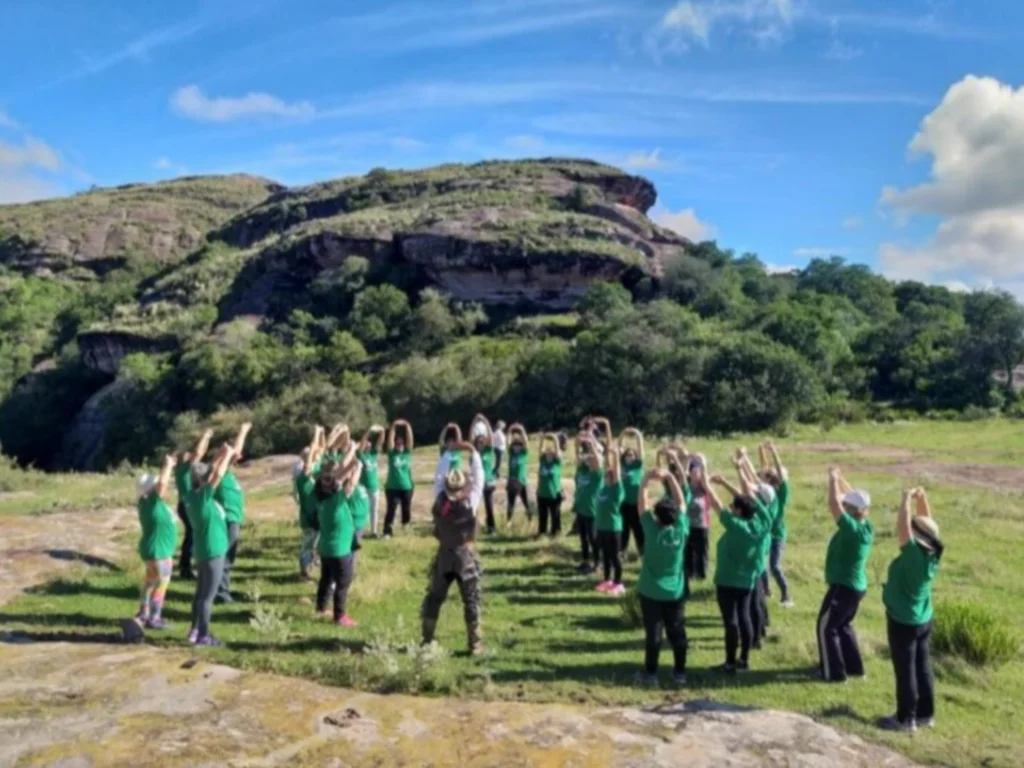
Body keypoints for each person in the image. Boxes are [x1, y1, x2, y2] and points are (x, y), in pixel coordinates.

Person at [879, 488, 943, 733]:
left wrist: (905, 498)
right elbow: (926, 525)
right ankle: (926, 715)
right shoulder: (932, 553)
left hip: (903, 621)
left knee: (906, 671)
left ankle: (905, 719)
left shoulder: (913, 555)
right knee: (923, 666)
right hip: (923, 618)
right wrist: (922, 498)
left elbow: (903, 525)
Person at [422, 439, 486, 655]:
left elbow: (439, 476)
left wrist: (449, 453)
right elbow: (479, 478)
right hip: (465, 558)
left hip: (444, 556)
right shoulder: (471, 501)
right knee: (470, 599)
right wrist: (474, 452)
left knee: (434, 597)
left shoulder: (439, 498)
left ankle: (427, 639)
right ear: (462, 486)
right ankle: (474, 644)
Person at [706, 468, 770, 674]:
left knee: (731, 622)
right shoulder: (762, 525)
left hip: (727, 581)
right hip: (747, 581)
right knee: (745, 618)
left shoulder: (736, 526)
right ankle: (744, 660)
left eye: (733, 506)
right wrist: (725, 483)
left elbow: (716, 504)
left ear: (739, 512)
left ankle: (729, 662)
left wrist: (706, 484)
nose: (730, 507)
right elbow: (751, 501)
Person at [817, 467, 874, 683]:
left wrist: (832, 480)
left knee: (826, 627)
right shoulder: (866, 525)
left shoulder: (851, 528)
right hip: (856, 586)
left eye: (846, 505)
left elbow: (834, 504)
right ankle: (854, 668)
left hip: (843, 586)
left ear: (850, 510)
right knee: (843, 626)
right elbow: (855, 500)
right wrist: (842, 479)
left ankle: (833, 674)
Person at [634, 467, 689, 687]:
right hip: (675, 592)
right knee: (677, 632)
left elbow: (641, 503)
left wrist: (647, 478)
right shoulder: (680, 529)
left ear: (656, 517)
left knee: (653, 634)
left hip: (650, 591)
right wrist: (669, 477)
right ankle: (680, 673)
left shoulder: (651, 529)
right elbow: (682, 500)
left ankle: (651, 673)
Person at [183, 441, 236, 647]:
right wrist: (228, 454)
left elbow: (206, 474)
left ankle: (194, 630)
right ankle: (204, 636)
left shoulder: (190, 496)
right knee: (207, 597)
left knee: (199, 594)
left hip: (202, 551)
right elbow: (217, 476)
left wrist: (220, 455)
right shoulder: (204, 498)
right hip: (214, 551)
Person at [122, 454, 179, 642]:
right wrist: (168, 465)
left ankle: (143, 613)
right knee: (161, 583)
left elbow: (161, 486)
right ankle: (155, 617)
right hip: (160, 550)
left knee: (149, 581)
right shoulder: (153, 502)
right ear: (152, 489)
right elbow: (162, 483)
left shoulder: (144, 503)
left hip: (150, 548)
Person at [313, 454, 362, 627]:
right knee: (343, 582)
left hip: (326, 548)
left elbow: (341, 479)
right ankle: (339, 616)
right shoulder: (336, 499)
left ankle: (320, 608)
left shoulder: (321, 498)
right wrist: (357, 464)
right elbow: (348, 481)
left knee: (326, 579)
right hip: (339, 549)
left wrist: (349, 465)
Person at [215, 422, 253, 605]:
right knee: (225, 556)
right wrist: (243, 431)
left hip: (233, 520)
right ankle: (220, 593)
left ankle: (223, 590)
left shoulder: (229, 475)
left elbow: (235, 452)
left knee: (228, 557)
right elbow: (234, 452)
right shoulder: (219, 473)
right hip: (227, 520)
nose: (237, 456)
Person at [174, 428, 213, 580]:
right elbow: (198, 453)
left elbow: (199, 453)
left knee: (191, 535)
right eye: (186, 455)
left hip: (185, 505)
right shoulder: (183, 469)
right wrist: (205, 435)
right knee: (191, 536)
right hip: (186, 506)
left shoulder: (183, 470)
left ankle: (186, 566)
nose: (190, 455)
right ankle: (185, 568)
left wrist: (207, 439)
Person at [759, 441, 793, 607]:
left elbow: (777, 469)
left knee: (775, 566)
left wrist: (774, 451)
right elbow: (764, 469)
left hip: (778, 535)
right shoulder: (767, 491)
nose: (771, 476)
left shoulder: (782, 493)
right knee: (762, 565)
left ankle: (786, 594)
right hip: (765, 533)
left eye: (775, 476)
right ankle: (766, 591)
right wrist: (761, 451)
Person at [594, 442, 625, 596]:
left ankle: (619, 583)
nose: (607, 477)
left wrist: (616, 456)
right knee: (605, 556)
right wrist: (607, 455)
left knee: (615, 556)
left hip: (613, 528)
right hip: (602, 528)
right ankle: (607, 580)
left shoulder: (616, 490)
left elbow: (617, 472)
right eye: (606, 475)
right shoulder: (603, 489)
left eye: (610, 476)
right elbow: (607, 467)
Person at [295, 428, 325, 580]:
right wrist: (316, 435)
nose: (315, 459)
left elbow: (321, 450)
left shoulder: (314, 472)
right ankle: (303, 573)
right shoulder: (303, 476)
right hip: (308, 518)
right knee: (307, 546)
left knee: (316, 545)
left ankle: (311, 565)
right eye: (312, 457)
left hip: (317, 516)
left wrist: (321, 435)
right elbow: (309, 462)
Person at [573, 434, 603, 573]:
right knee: (583, 539)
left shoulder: (597, 475)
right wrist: (578, 444)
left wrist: (592, 445)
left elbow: (597, 460)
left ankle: (597, 564)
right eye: (588, 460)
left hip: (592, 512)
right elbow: (577, 456)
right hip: (581, 510)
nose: (589, 461)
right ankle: (585, 561)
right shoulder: (581, 471)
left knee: (593, 540)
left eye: (592, 460)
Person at [383, 419, 415, 538]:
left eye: (402, 443)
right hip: (392, 487)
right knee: (391, 510)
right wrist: (393, 426)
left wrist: (407, 425)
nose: (400, 445)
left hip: (407, 487)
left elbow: (410, 440)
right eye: (398, 443)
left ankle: (406, 529)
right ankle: (387, 532)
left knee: (406, 510)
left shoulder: (407, 453)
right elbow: (390, 440)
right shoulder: (392, 454)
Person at [619, 428, 646, 557]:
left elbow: (641, 450)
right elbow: (619, 446)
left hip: (636, 503)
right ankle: (621, 551)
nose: (629, 457)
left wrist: (637, 434)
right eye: (627, 455)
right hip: (624, 503)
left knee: (638, 529)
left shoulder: (637, 466)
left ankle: (642, 552)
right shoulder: (622, 465)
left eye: (632, 455)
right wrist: (623, 434)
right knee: (624, 529)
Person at [470, 415, 499, 535]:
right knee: (473, 506)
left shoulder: (488, 450)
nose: (481, 442)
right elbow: (470, 436)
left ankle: (491, 528)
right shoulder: (473, 451)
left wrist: (485, 421)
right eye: (478, 441)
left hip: (487, 482)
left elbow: (491, 436)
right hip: (476, 482)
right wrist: (474, 421)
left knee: (489, 506)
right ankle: (473, 528)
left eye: (483, 440)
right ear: (476, 442)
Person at [357, 425, 386, 538]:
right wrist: (369, 431)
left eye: (370, 443)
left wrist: (382, 431)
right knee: (364, 511)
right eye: (367, 443)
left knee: (374, 510)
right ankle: (360, 532)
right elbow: (362, 443)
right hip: (363, 488)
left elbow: (380, 443)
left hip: (374, 487)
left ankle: (373, 532)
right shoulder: (361, 455)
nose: (368, 444)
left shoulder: (373, 455)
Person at [536, 433, 564, 537]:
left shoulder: (556, 463)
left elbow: (558, 451)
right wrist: (543, 438)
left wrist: (554, 438)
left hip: (554, 494)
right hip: (542, 493)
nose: (549, 452)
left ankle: (555, 533)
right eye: (547, 451)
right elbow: (540, 449)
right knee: (542, 516)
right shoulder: (542, 461)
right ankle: (542, 533)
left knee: (555, 516)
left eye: (551, 451)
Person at [506, 424, 530, 522]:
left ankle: (530, 518)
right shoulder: (511, 453)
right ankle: (508, 521)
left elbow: (526, 442)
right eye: (515, 445)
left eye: (518, 445)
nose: (516, 447)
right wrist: (510, 430)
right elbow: (507, 442)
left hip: (522, 481)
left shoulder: (523, 454)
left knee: (526, 502)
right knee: (510, 502)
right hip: (512, 481)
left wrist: (522, 429)